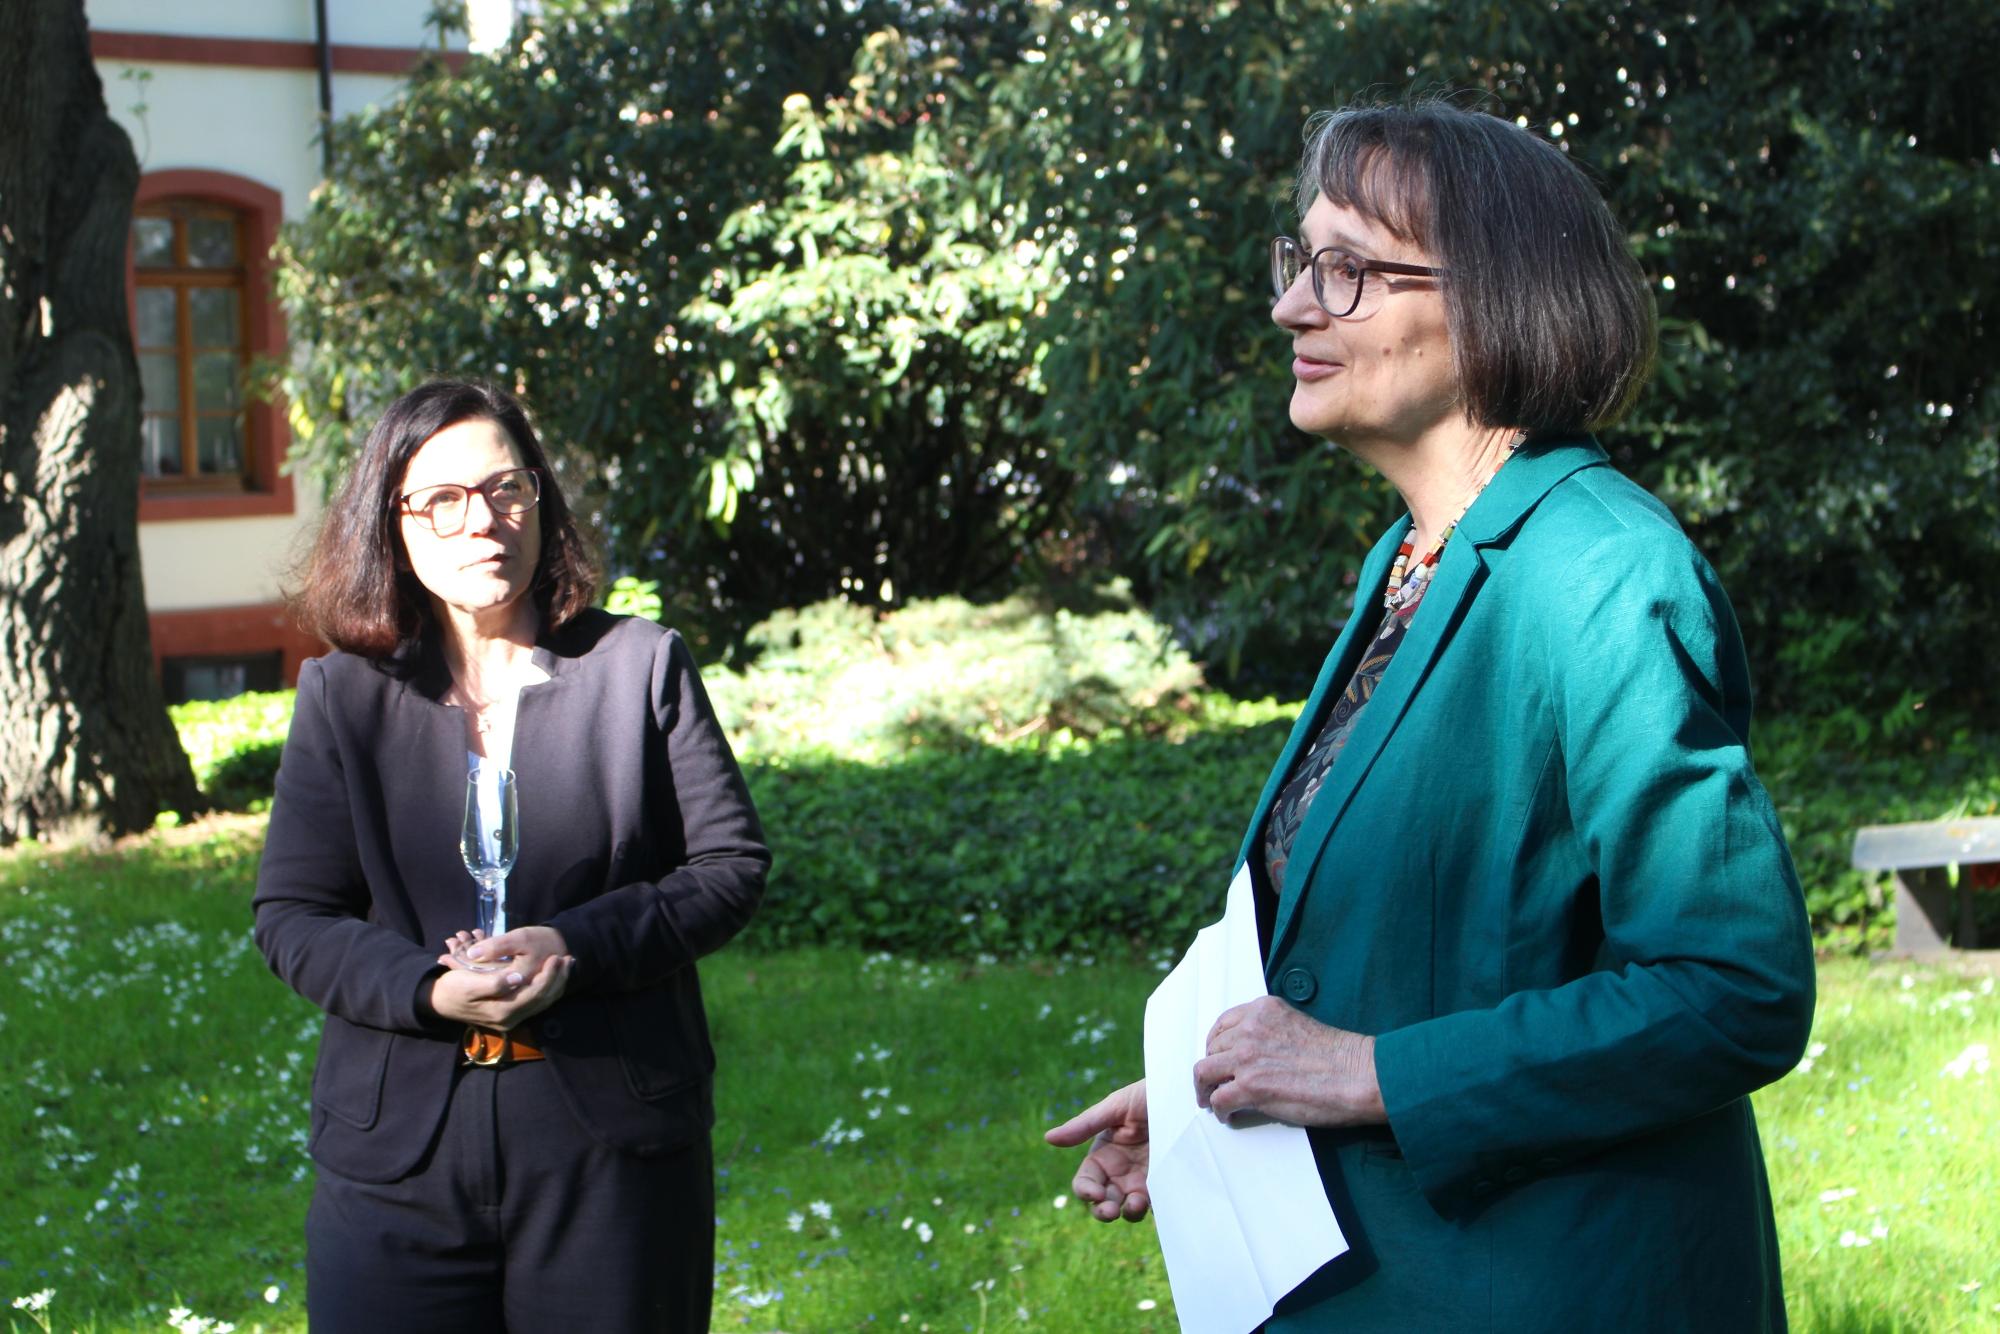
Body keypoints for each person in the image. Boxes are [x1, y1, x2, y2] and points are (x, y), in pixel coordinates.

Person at [1046, 99, 1815, 1331]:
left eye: (1346, 269)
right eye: (1299, 261)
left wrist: (1361, 1074)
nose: (1293, 305)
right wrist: (1213, 1099)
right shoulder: (1408, 563)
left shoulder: (1600, 568)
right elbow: (1420, 933)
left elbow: (1729, 986)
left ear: (1496, 298)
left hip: (1551, 1287)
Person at [253, 378, 768, 1332]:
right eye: (441, 500)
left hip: (609, 1136)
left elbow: (728, 866)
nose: (480, 521)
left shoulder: (640, 666)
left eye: (506, 489)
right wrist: (425, 990)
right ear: (394, 525)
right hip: (399, 1148)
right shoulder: (342, 695)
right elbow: (293, 916)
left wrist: (574, 945)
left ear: (541, 501)